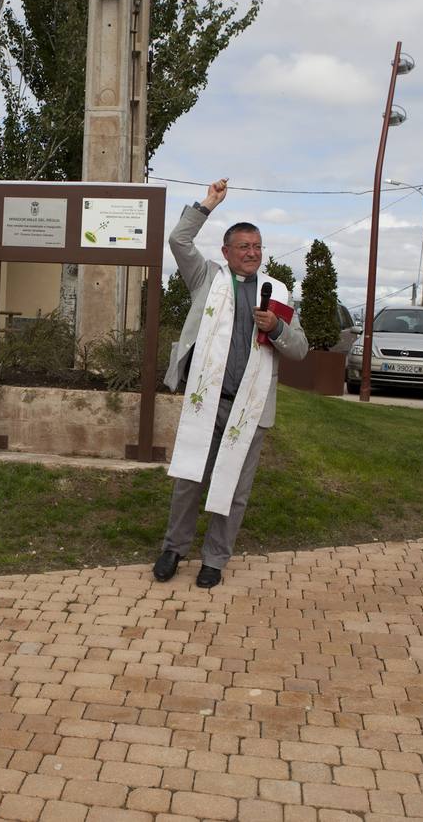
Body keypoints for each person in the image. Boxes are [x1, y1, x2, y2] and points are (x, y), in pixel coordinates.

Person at [154, 178, 308, 588]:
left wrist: (277, 328)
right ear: (226, 252)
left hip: (250, 408)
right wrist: (209, 203)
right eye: (244, 247)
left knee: (234, 489)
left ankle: (215, 560)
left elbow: (300, 349)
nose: (252, 254)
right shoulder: (207, 278)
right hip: (208, 401)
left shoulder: (278, 292)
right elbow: (178, 240)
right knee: (189, 479)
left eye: (257, 247)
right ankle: (173, 548)